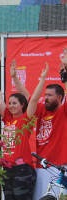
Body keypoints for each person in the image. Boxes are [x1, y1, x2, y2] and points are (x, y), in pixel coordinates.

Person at [0, 61, 48, 199]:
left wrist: (43, 79)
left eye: (14, 103)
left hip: (23, 170)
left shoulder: (25, 119)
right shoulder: (7, 118)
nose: (10, 106)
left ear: (22, 105)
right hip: (7, 170)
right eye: (9, 103)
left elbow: (33, 100)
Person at [31, 48, 67, 200]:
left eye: (49, 96)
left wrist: (65, 75)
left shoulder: (63, 112)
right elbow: (29, 98)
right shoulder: (41, 110)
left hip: (60, 167)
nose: (45, 98)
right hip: (41, 166)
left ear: (60, 98)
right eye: (45, 95)